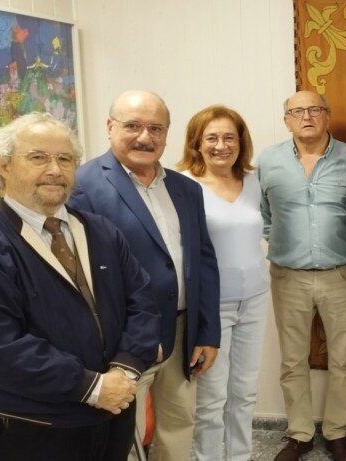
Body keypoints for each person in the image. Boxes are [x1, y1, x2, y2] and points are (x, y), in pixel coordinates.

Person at [0, 113, 158, 460]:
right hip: (36, 427)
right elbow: (1, 345)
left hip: (112, 416)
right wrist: (91, 387)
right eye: (38, 157)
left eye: (65, 159)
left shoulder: (102, 231)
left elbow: (143, 302)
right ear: (3, 166)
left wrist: (124, 371)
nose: (55, 169)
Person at [70, 90, 220, 461]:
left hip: (183, 332)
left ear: (167, 134)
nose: (145, 137)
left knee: (178, 423)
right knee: (124, 434)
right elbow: (78, 275)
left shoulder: (186, 189)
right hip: (124, 338)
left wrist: (207, 331)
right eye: (133, 126)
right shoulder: (83, 186)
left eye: (155, 128)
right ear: (109, 127)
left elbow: (203, 261)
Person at [258, 90, 346, 461]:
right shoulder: (268, 161)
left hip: (341, 275)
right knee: (292, 360)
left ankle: (337, 433)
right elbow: (264, 215)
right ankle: (299, 433)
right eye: (296, 111)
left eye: (314, 109)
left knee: (343, 359)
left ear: (327, 116)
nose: (306, 116)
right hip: (288, 277)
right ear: (287, 119)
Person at [177, 106, 270, 461]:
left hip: (256, 298)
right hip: (211, 306)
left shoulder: (253, 181)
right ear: (197, 143)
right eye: (211, 137)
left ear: (240, 141)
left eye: (229, 137)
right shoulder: (183, 185)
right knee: (211, 398)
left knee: (244, 393)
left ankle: (240, 457)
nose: (221, 145)